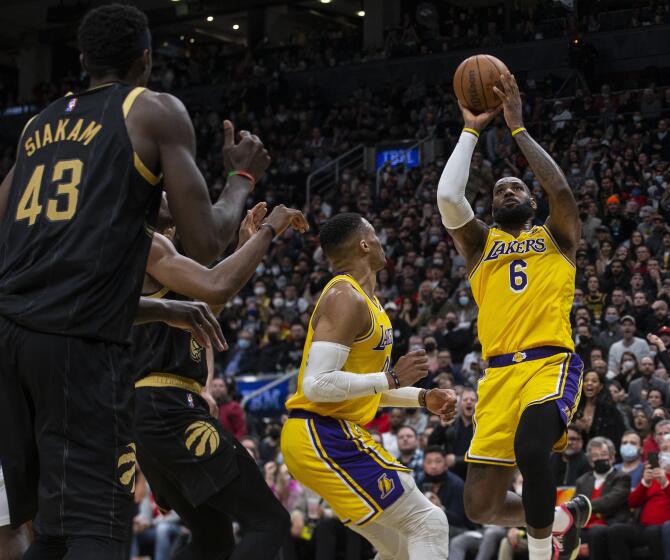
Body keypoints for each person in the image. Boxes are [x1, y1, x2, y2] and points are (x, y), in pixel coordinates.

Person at [0, 4, 248, 555]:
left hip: (10, 339)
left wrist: (160, 308)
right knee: (98, 521)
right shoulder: (152, 112)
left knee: (36, 524)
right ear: (147, 59)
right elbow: (208, 242)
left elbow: (31, 262)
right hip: (74, 349)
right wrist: (241, 177)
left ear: (83, 59)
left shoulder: (37, 127)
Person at [436, 71, 589, 560]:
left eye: (516, 187)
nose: (506, 191)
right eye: (499, 189)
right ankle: (563, 518)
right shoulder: (481, 244)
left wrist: (518, 129)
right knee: (479, 505)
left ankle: (542, 553)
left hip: (549, 363)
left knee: (531, 448)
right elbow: (447, 199)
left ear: (531, 199)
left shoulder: (557, 237)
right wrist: (471, 131)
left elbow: (562, 193)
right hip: (497, 375)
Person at [131, 202, 308, 559]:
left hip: (153, 411)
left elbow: (207, 312)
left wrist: (245, 246)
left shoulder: (164, 259)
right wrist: (269, 231)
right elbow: (219, 287)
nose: (169, 195)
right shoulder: (147, 245)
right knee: (269, 521)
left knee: (213, 539)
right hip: (166, 407)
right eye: (161, 191)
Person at [280, 213, 458, 559]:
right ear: (364, 244)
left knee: (402, 548)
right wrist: (392, 377)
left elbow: (360, 385)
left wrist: (422, 397)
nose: (380, 241)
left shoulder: (369, 301)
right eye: (374, 235)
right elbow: (316, 385)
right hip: (322, 434)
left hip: (328, 434)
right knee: (428, 523)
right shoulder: (346, 297)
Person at [602, 433, 670, 560]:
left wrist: (666, 484)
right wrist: (644, 483)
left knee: (653, 532)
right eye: (664, 449)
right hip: (644, 526)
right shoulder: (654, 473)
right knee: (616, 531)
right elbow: (632, 502)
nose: (668, 452)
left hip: (669, 528)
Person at [574, 437, 631, 560]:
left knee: (596, 531)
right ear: (590, 460)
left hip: (609, 524)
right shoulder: (582, 480)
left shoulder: (622, 477)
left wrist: (585, 506)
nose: (600, 458)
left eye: (604, 454)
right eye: (595, 455)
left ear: (612, 457)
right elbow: (575, 505)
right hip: (585, 526)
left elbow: (611, 500)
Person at [574, 370, 627, 450]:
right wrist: (576, 428)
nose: (589, 383)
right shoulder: (574, 409)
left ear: (600, 386)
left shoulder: (610, 410)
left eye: (594, 381)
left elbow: (619, 436)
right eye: (586, 380)